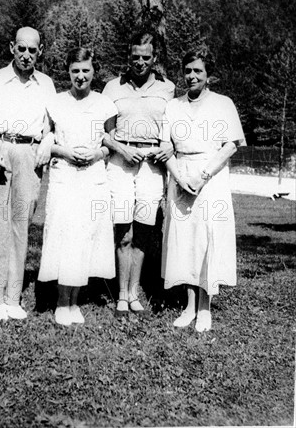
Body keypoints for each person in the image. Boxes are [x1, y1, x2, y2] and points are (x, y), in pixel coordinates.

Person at [0, 27, 55, 321]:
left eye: (32, 50)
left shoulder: (47, 85)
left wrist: (47, 144)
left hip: (28, 155)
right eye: (21, 48)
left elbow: (51, 126)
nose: (26, 55)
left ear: (39, 52)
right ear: (11, 48)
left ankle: (13, 297)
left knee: (21, 223)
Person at [161, 49, 246, 332]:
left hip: (212, 177)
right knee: (185, 240)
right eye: (188, 71)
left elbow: (231, 145)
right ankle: (188, 305)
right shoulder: (173, 106)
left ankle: (205, 307)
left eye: (198, 70)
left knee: (207, 238)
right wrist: (179, 177)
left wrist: (203, 175)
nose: (192, 76)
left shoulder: (223, 104)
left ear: (208, 74)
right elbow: (166, 148)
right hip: (182, 176)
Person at [38, 47, 117, 326]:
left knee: (85, 236)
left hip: (93, 177)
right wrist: (65, 152)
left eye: (85, 70)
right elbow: (46, 140)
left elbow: (111, 142)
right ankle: (62, 301)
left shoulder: (105, 104)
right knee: (64, 235)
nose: (80, 76)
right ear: (68, 72)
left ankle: (76, 300)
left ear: (94, 71)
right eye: (75, 71)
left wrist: (98, 154)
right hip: (65, 176)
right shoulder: (56, 103)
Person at [102, 31, 175, 317]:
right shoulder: (112, 88)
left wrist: (168, 148)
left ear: (155, 58)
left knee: (143, 231)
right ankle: (120, 294)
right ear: (128, 56)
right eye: (135, 57)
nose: (140, 62)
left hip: (152, 165)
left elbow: (175, 128)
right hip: (120, 164)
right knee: (123, 231)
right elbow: (103, 132)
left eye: (146, 57)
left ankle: (134, 293)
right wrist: (120, 147)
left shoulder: (168, 89)